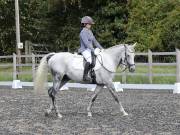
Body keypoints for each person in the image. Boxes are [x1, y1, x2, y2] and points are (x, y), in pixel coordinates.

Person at [78, 16, 103, 81]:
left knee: (98, 59)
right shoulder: (83, 32)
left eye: (90, 24)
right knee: (90, 60)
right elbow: (86, 43)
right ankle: (85, 76)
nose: (90, 25)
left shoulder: (90, 32)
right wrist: (93, 49)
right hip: (84, 50)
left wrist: (102, 49)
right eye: (89, 24)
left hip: (90, 49)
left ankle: (93, 75)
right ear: (84, 24)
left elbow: (95, 42)